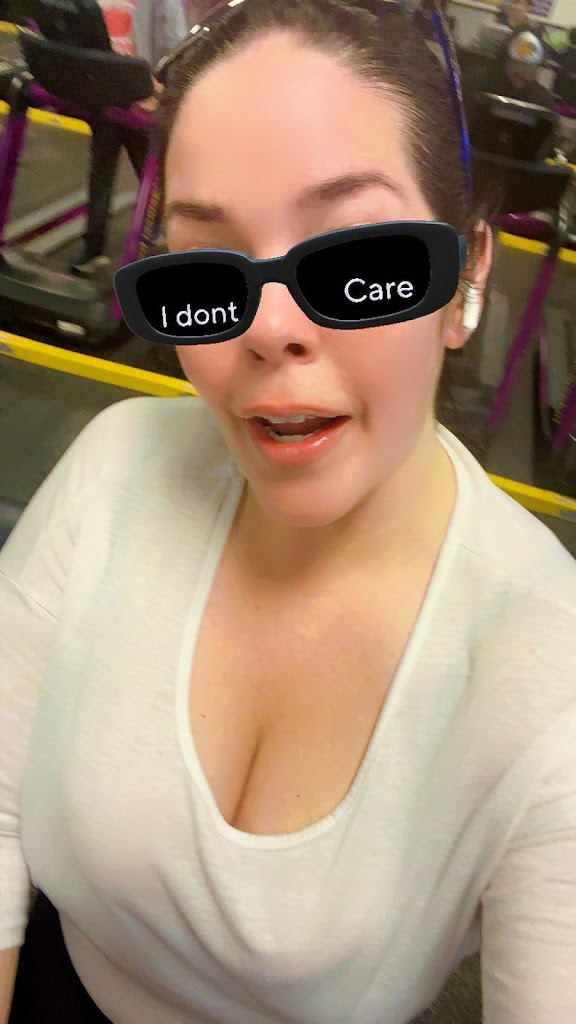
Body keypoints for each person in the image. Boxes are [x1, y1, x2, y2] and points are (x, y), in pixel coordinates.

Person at [1, 2, 576, 1024]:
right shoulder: (113, 468)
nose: (268, 331)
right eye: (205, 271)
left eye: (358, 263)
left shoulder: (550, 673)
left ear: (468, 274)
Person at [70, 0, 189, 276]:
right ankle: (94, 246)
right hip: (107, 93)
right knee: (103, 169)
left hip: (140, 94)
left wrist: (163, 87)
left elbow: (176, 43)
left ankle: (160, 238)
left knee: (148, 171)